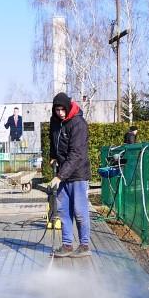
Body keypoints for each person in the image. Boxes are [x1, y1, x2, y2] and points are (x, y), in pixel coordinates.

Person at [48, 92, 92, 258]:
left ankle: (84, 245)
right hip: (63, 173)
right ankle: (67, 245)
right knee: (64, 211)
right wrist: (52, 156)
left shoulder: (78, 124)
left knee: (80, 212)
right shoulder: (55, 121)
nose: (60, 112)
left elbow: (76, 154)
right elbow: (52, 139)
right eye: (57, 109)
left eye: (62, 109)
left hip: (78, 174)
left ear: (67, 107)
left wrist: (60, 176)